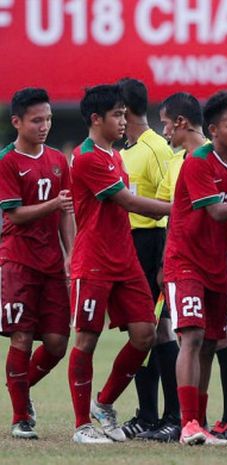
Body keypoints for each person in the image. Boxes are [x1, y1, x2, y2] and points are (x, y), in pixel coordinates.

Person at [68, 84, 171, 443]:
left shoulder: (114, 155)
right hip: (94, 261)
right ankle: (82, 426)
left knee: (145, 335)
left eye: (124, 113)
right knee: (86, 339)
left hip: (124, 259)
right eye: (116, 114)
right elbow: (128, 202)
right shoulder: (87, 158)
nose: (123, 120)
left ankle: (104, 404)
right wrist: (181, 209)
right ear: (96, 119)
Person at [163, 90, 227, 445]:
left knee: (208, 344)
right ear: (213, 129)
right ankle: (187, 423)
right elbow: (217, 211)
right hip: (185, 263)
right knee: (192, 337)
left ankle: (198, 423)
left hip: (215, 265)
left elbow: (225, 222)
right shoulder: (198, 161)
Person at [0, 88, 74, 439]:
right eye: (36, 120)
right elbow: (14, 213)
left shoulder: (59, 161)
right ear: (17, 122)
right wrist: (54, 205)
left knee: (58, 343)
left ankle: (21, 391)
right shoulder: (7, 162)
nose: (44, 125)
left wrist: (72, 254)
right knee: (22, 336)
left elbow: (66, 214)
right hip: (16, 262)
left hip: (51, 265)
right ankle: (20, 418)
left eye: (48, 119)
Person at [117, 78, 179, 440]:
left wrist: (163, 262)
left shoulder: (157, 148)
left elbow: (172, 207)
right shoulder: (127, 149)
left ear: (124, 110)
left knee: (159, 330)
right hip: (129, 245)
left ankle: (171, 415)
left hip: (153, 243)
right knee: (140, 331)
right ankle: (148, 415)